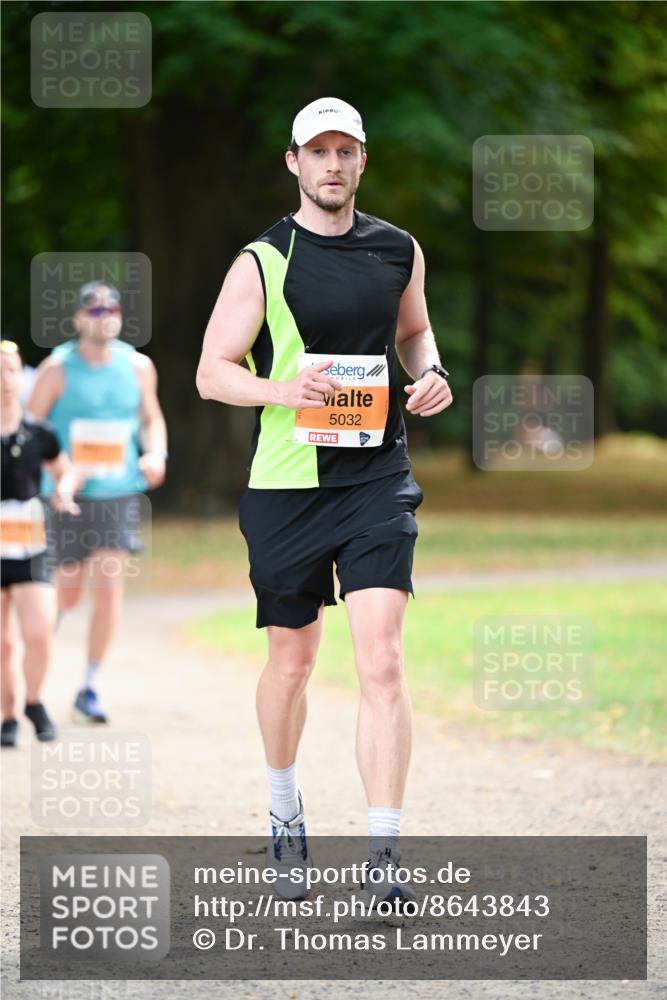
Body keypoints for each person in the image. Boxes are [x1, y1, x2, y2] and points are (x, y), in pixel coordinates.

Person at [197, 97, 453, 909]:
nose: (333, 165)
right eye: (319, 151)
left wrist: (431, 372)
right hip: (286, 488)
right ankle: (283, 810)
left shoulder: (397, 250)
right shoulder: (262, 260)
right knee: (292, 663)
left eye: (347, 151)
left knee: (380, 658)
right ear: (294, 162)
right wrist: (283, 387)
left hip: (376, 480)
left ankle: (383, 855)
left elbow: (413, 333)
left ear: (362, 161)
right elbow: (212, 370)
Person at [26, 281, 168, 724]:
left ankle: (89, 685)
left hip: (119, 492)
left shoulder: (139, 366)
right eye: (93, 310)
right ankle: (27, 672)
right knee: (66, 595)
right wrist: (60, 474)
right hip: (66, 497)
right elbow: (29, 431)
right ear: (77, 319)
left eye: (111, 309)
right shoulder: (57, 369)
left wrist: (155, 452)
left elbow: (151, 418)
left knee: (107, 592)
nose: (103, 316)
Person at [1, 340, 80, 746]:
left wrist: (63, 492)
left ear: (21, 375)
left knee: (39, 633)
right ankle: (8, 715)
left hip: (29, 545)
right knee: (3, 643)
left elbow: (65, 470)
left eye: (11, 370)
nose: (4, 380)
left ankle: (33, 701)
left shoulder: (39, 431)